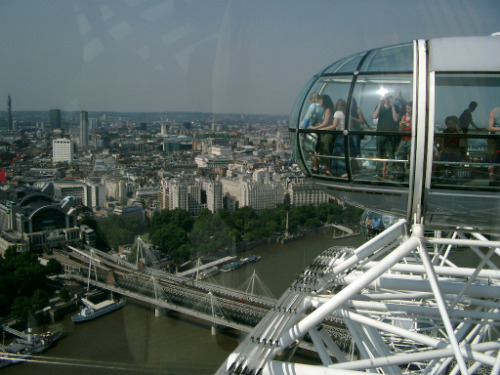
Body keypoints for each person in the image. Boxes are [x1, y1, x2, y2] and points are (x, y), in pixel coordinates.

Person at [372, 92, 400, 178]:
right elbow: (374, 116)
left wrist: (392, 106)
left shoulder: (395, 107)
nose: (387, 100)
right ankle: (379, 172)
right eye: (386, 98)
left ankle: (391, 173)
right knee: (380, 153)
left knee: (391, 154)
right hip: (380, 133)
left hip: (391, 134)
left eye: (389, 98)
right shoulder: (380, 107)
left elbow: (396, 119)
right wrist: (380, 104)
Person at [309, 95, 335, 175]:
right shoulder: (327, 110)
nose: (319, 102)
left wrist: (315, 128)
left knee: (326, 151)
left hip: (327, 133)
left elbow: (326, 123)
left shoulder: (328, 110)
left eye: (320, 101)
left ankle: (328, 169)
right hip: (325, 132)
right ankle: (326, 169)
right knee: (323, 151)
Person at [349, 98, 372, 173]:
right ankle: (353, 165)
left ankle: (355, 165)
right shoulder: (349, 111)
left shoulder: (357, 110)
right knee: (351, 149)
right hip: (350, 131)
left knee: (355, 149)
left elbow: (362, 120)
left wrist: (354, 118)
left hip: (355, 131)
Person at [395, 101, 412, 180]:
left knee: (411, 156)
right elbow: (400, 130)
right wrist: (402, 125)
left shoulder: (416, 117)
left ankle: (411, 174)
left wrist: (410, 126)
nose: (407, 110)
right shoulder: (404, 117)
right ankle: (400, 173)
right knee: (400, 155)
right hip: (403, 139)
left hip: (411, 140)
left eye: (408, 108)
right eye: (406, 108)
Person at [487, 105, 500, 185]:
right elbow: (490, 128)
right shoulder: (494, 112)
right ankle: (492, 179)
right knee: (492, 158)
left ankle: (497, 177)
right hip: (494, 140)